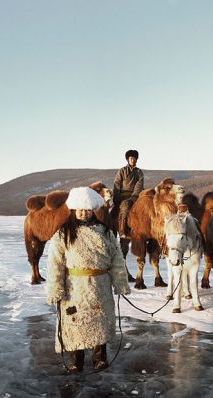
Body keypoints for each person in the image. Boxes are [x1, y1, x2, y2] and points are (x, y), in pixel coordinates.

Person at [46, 187, 130, 373]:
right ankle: (76, 360)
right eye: (80, 210)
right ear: (74, 210)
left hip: (100, 284)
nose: (84, 213)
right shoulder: (63, 233)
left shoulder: (105, 232)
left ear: (93, 210)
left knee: (100, 321)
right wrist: (55, 288)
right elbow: (55, 263)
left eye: (87, 209)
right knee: (75, 321)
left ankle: (100, 358)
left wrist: (120, 283)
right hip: (74, 287)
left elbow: (116, 259)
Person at [113, 149, 144, 238]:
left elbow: (139, 184)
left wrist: (135, 195)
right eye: (131, 158)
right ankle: (123, 231)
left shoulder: (139, 172)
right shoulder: (122, 171)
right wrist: (117, 196)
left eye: (134, 158)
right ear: (128, 159)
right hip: (124, 195)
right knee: (125, 207)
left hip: (136, 195)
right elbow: (117, 183)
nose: (132, 160)